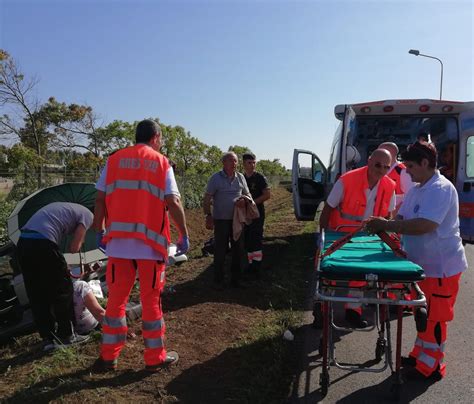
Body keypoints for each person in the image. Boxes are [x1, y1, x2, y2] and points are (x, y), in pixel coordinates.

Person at [364, 140, 467, 381]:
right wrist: (383, 225)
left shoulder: (441, 188)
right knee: (422, 314)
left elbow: (425, 225)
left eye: (410, 166)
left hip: (441, 268)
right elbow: (402, 217)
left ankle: (432, 367)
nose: (406, 171)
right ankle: (420, 356)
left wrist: (387, 224)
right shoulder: (417, 189)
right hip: (421, 267)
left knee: (436, 318)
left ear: (425, 163)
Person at [93, 119, 190, 372]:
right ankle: (154, 359)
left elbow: (100, 198)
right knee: (151, 302)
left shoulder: (113, 161)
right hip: (150, 247)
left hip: (118, 247)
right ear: (156, 138)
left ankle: (108, 357)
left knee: (115, 302)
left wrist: (98, 230)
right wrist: (184, 234)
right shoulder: (161, 162)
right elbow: (173, 202)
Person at [319, 149, 396, 328]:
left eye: (386, 167)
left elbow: (389, 217)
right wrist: (322, 237)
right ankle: (321, 311)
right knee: (327, 274)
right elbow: (328, 208)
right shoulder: (347, 180)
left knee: (360, 276)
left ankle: (353, 312)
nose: (382, 170)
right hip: (340, 234)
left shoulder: (389, 186)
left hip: (368, 239)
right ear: (369, 161)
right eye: (378, 165)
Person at [16, 202, 93, 351]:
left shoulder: (69, 210)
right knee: (63, 290)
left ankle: (48, 337)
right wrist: (81, 239)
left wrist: (64, 266)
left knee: (38, 292)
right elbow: (74, 248)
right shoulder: (88, 214)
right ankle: (67, 335)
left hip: (24, 244)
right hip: (42, 244)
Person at [203, 151, 251, 289]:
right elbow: (207, 199)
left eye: (235, 161)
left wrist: (244, 200)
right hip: (221, 220)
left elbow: (247, 194)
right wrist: (208, 216)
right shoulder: (215, 178)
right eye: (230, 160)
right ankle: (218, 280)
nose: (234, 163)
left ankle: (236, 279)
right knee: (220, 250)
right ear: (224, 163)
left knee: (238, 249)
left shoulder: (240, 178)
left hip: (237, 220)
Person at [242, 152, 271, 279]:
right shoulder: (241, 178)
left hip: (257, 213)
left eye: (254, 162)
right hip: (244, 213)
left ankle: (257, 266)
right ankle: (250, 264)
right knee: (247, 238)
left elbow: (267, 195)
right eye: (249, 162)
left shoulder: (260, 178)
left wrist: (252, 203)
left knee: (256, 237)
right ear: (243, 164)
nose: (252, 165)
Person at [378, 142, 415, 212]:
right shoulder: (379, 170)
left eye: (380, 153)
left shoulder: (403, 172)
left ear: (389, 154)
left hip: (396, 215)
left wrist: (394, 215)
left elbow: (411, 197)